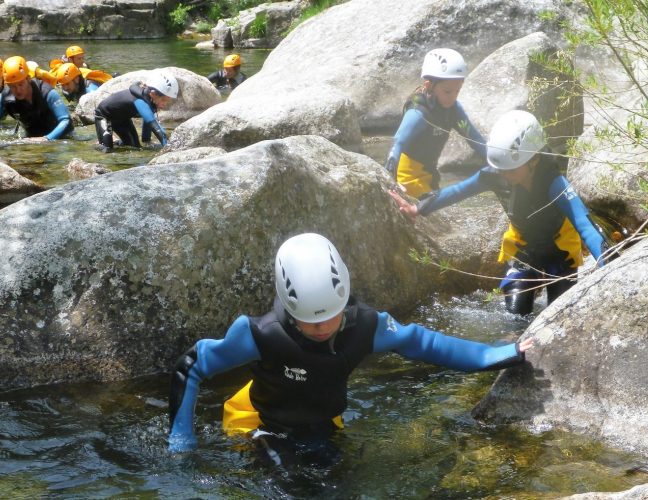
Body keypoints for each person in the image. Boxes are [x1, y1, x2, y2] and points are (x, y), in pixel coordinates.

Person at [168, 233, 534, 458]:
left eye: (330, 315)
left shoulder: (368, 326)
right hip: (263, 423)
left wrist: (496, 353)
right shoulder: (259, 333)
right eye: (309, 320)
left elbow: (425, 343)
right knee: (287, 485)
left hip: (324, 420)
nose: (322, 327)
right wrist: (181, 439)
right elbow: (192, 367)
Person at [391, 110, 608, 315]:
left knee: (560, 313)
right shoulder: (495, 174)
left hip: (560, 252)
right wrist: (417, 208)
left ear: (533, 160)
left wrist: (607, 265)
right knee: (515, 314)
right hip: (523, 248)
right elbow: (458, 191)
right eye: (501, 170)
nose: (504, 176)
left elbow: (584, 224)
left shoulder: (554, 181)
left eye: (511, 171)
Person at [384, 48, 487, 198]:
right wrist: (390, 182)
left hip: (429, 177)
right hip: (407, 180)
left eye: (457, 91)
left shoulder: (453, 110)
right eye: (447, 92)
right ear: (428, 85)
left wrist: (497, 162)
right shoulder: (418, 113)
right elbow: (397, 144)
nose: (452, 97)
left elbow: (474, 139)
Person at [0, 56, 73, 142]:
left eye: (20, 84)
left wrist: (46, 139)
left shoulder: (47, 92)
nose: (17, 90)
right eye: (12, 86)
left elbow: (65, 120)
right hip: (30, 140)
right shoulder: (5, 97)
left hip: (61, 138)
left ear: (28, 79)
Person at [93, 72, 178, 151]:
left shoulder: (150, 100)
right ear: (153, 94)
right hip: (104, 116)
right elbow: (156, 129)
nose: (165, 104)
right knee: (107, 149)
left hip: (122, 119)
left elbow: (147, 122)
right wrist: (169, 148)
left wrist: (147, 141)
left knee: (135, 147)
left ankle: (117, 142)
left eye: (167, 101)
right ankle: (97, 145)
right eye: (163, 100)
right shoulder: (141, 102)